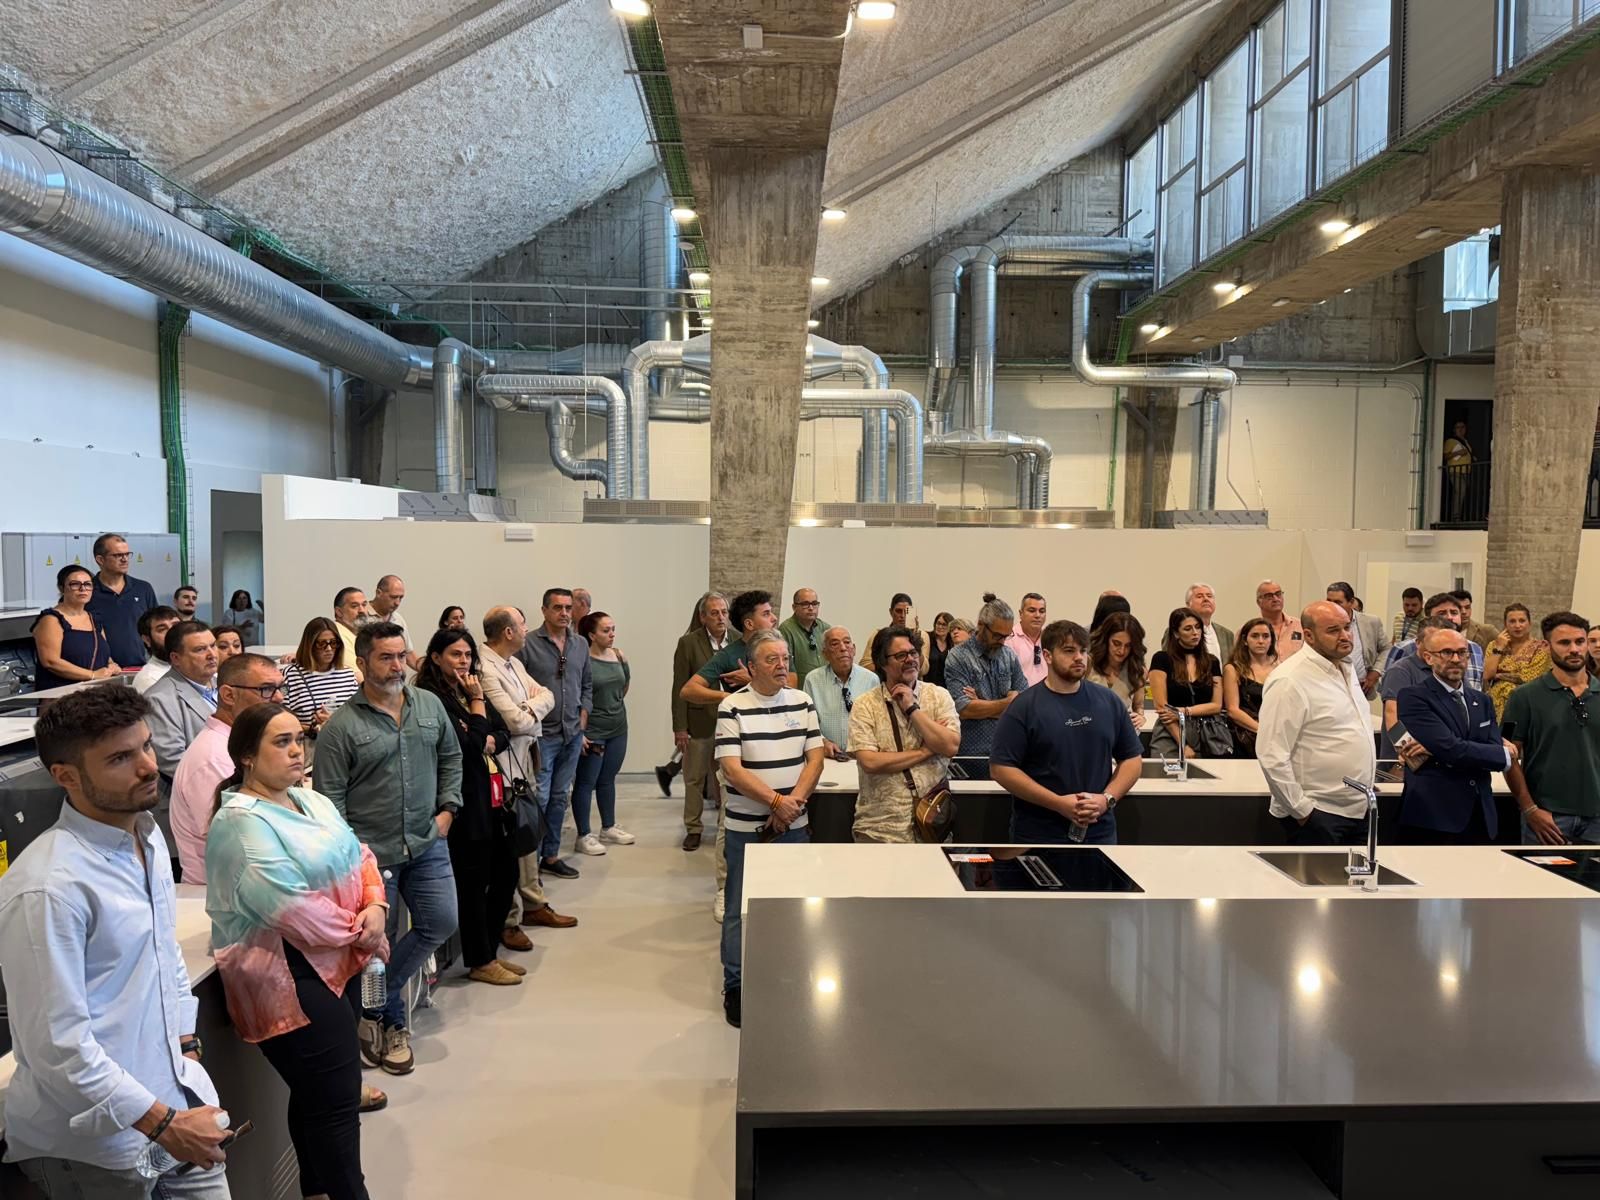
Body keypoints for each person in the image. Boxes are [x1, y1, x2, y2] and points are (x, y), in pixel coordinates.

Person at [0, 684, 231, 1196]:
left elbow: (162, 953)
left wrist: (185, 1046)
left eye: (146, 746)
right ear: (66, 777)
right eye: (121, 758)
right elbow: (58, 1047)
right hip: (97, 1149)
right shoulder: (48, 887)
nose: (148, 766)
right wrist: (162, 1122)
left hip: (177, 1102)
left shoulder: (145, 834)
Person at [206, 702, 387, 1200]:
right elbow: (287, 907)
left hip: (338, 961)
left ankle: (316, 1192)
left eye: (298, 739)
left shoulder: (310, 800)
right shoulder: (241, 821)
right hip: (288, 973)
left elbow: (360, 853)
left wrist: (376, 905)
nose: (295, 750)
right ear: (246, 755)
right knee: (336, 1106)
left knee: (317, 1096)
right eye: (280, 742)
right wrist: (362, 929)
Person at [315, 620, 462, 1077]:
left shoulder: (430, 706)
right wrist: (352, 857)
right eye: (386, 657)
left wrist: (447, 811)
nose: (398, 665)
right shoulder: (341, 728)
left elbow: (452, 758)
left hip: (426, 841)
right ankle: (394, 1028)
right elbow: (328, 800)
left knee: (442, 920)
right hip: (372, 856)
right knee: (378, 942)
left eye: (401, 656)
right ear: (362, 663)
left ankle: (376, 1009)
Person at [715, 630, 823, 1028]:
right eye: (772, 660)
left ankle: (785, 974)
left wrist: (790, 805)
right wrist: (776, 803)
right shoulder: (732, 707)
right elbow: (732, 768)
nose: (783, 666)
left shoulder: (803, 701)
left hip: (794, 824)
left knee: (791, 904)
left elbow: (814, 759)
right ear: (751, 666)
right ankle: (737, 984)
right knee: (739, 909)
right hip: (748, 828)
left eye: (785, 658)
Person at [415, 628, 524, 987]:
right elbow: (467, 745)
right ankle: (480, 959)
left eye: (467, 656)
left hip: (491, 794)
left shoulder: (468, 687)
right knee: (473, 882)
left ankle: (489, 951)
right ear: (435, 658)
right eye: (455, 655)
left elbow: (502, 732)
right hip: (462, 799)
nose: (463, 662)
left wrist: (485, 733)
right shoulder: (432, 696)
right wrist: (479, 714)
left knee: (507, 871)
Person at [990, 620, 1144, 845]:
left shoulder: (1109, 701)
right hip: (1039, 834)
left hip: (1099, 832)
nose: (1079, 657)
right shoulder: (1024, 707)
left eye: (1083, 651)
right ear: (1048, 656)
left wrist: (1106, 799)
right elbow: (1001, 769)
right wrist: (1058, 803)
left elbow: (1131, 759)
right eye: (1069, 651)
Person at [477, 606, 575, 939]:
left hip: (525, 761)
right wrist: (530, 711)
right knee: (512, 846)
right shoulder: (485, 668)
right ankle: (511, 919)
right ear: (507, 632)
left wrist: (529, 708)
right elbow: (514, 722)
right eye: (521, 625)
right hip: (502, 770)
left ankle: (534, 904)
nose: (526, 629)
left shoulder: (514, 663)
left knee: (529, 835)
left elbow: (545, 695)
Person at [1258, 601, 1376, 845]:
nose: (1344, 636)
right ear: (1309, 636)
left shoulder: (1345, 667)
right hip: (1319, 813)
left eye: (1347, 627)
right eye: (1333, 630)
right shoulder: (1290, 679)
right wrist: (1303, 812)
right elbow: (1272, 753)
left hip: (1360, 810)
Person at [170, 653, 285, 884]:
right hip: (221, 894)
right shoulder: (214, 758)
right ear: (229, 695)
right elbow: (240, 839)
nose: (279, 698)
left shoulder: (240, 745)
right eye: (266, 689)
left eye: (280, 688)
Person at [1395, 626, 1515, 844]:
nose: (1456, 659)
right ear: (1429, 657)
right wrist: (1500, 754)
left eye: (1462, 652)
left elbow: (1461, 746)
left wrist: (1441, 749)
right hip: (1435, 816)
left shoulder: (1482, 700)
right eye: (1447, 653)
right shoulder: (1414, 697)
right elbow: (1453, 750)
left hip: (1480, 813)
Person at [848, 626, 961, 842]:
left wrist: (912, 709)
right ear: (882, 662)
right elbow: (870, 762)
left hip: (932, 826)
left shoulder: (938, 696)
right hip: (879, 828)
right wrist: (926, 751)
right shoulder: (865, 705)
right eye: (901, 655)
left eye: (913, 653)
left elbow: (950, 746)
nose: (910, 659)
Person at [1504, 611, 1600, 845]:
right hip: (1547, 818)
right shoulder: (1522, 697)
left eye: (1580, 641)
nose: (1574, 649)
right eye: (1564, 643)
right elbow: (1506, 755)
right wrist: (1529, 809)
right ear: (1547, 646)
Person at [518, 587, 591, 880]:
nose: (564, 613)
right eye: (558, 608)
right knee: (542, 796)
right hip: (542, 735)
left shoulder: (581, 644)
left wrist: (583, 715)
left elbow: (587, 684)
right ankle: (530, 863)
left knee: (561, 797)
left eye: (568, 608)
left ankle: (551, 855)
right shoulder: (528, 644)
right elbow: (519, 688)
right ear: (545, 610)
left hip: (572, 732)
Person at [571, 612, 635, 855]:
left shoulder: (618, 656)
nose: (612, 634)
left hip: (618, 727)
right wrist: (580, 732)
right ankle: (583, 834)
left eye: (613, 629)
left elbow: (624, 686)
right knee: (586, 782)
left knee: (608, 778)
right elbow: (576, 696)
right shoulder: (582, 660)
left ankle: (608, 827)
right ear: (591, 635)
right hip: (593, 730)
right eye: (606, 630)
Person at [671, 591, 730, 854]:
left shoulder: (739, 640)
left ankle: (725, 827)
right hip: (699, 722)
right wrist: (680, 727)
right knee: (694, 779)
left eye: (724, 612)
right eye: (715, 613)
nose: (721, 617)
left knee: (728, 778)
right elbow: (679, 687)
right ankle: (693, 828)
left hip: (730, 724)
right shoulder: (688, 643)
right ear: (703, 616)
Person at [944, 594, 1028, 758]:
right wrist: (1009, 702)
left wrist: (983, 705)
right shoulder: (958, 657)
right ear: (981, 626)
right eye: (997, 635)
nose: (1003, 641)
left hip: (1009, 748)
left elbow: (1025, 704)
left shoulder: (1009, 656)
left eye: (1007, 635)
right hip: (973, 752)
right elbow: (964, 709)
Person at [681, 589, 788, 710]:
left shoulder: (780, 648)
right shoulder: (728, 654)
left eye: (724, 612)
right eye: (766, 614)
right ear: (749, 624)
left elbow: (791, 686)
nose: (774, 618)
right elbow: (688, 690)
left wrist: (751, 681)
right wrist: (729, 697)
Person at [145, 621, 220, 779]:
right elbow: (172, 761)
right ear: (176, 658)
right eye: (200, 649)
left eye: (213, 645)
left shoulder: (222, 683)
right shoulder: (158, 699)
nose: (212, 654)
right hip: (200, 790)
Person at [1149, 607, 1227, 758]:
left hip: (1209, 731)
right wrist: (1183, 744)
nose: (1195, 633)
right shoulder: (1162, 659)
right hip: (1172, 732)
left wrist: (1183, 712)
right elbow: (1162, 708)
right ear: (1176, 633)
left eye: (1198, 627)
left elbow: (1216, 705)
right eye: (1188, 628)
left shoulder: (1212, 661)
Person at [30, 564, 118, 688]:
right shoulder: (51, 619)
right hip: (62, 697)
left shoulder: (94, 619)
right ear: (62, 588)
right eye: (75, 584)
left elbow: (102, 653)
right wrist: (92, 675)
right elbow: (50, 661)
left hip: (95, 694)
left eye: (88, 584)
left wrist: (112, 665)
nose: (83, 589)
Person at [282, 616, 362, 743]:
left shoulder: (347, 674)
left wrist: (333, 723)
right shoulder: (291, 675)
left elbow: (358, 716)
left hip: (342, 745)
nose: (329, 649)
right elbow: (281, 718)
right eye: (322, 644)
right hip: (307, 746)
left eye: (333, 643)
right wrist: (312, 728)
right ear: (310, 645)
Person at [86, 532, 161, 668]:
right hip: (101, 670)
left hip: (141, 667)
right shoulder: (86, 592)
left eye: (127, 554)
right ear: (100, 560)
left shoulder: (143, 588)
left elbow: (157, 626)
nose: (125, 559)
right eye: (117, 555)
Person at [804, 626, 879, 757]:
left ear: (854, 649)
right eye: (834, 644)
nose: (843, 648)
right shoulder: (813, 680)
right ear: (825, 653)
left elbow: (878, 721)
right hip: (828, 757)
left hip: (863, 757)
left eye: (847, 642)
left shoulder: (871, 680)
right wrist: (823, 741)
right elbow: (807, 722)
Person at [1384, 591, 1484, 689]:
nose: (1449, 617)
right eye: (1442, 613)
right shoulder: (1403, 649)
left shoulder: (1475, 649)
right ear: (1429, 618)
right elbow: (1391, 690)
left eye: (1454, 613)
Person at [1223, 617, 1278, 759]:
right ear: (1245, 640)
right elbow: (1233, 710)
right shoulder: (1233, 669)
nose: (1261, 641)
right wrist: (1262, 730)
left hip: (1276, 733)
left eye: (1266, 636)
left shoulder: (1281, 667)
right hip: (1245, 735)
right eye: (1255, 636)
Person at [1484, 604, 1551, 719]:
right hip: (1494, 704)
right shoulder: (1494, 645)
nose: (1517, 625)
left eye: (1522, 621)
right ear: (1505, 625)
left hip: (1527, 704)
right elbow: (1487, 675)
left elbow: (1528, 678)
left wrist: (1499, 675)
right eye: (1512, 621)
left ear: (1529, 624)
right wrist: (1499, 648)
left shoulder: (1541, 648)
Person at [1326, 581, 1389, 698]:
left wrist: (1376, 672)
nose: (1332, 606)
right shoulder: (1321, 624)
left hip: (1363, 688)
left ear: (1351, 602)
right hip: (1332, 687)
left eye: (1338, 602)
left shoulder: (1371, 622)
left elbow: (1386, 648)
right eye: (1329, 602)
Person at [1086, 611, 1147, 724]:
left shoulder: (1137, 670)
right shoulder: (1088, 664)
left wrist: (1140, 716)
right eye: (1116, 643)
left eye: (1128, 646)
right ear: (1106, 639)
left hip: (1120, 731)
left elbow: (1138, 705)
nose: (1122, 651)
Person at [860, 593, 930, 671]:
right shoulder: (878, 635)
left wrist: (913, 637)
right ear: (891, 612)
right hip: (887, 681)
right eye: (898, 611)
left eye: (906, 612)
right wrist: (893, 671)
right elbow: (865, 665)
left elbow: (924, 669)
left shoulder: (922, 635)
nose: (903, 616)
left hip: (913, 681)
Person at [778, 587, 831, 684]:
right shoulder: (786, 630)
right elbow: (787, 667)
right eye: (805, 604)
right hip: (800, 689)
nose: (811, 608)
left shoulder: (825, 628)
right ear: (794, 607)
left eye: (814, 604)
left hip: (824, 687)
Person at [366, 575, 418, 670]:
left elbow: (408, 654)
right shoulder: (362, 616)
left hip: (396, 678)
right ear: (378, 593)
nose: (397, 603)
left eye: (400, 598)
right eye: (393, 597)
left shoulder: (398, 619)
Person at [132, 605, 182, 694]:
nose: (172, 632)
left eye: (176, 626)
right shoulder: (149, 679)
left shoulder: (193, 666)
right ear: (147, 639)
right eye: (162, 629)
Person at [1005, 592, 1049, 687]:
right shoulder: (1008, 639)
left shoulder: (1050, 637)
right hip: (1020, 698)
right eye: (1032, 610)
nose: (1037, 615)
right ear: (1021, 614)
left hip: (1048, 697)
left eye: (1042, 611)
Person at [1184, 582, 1234, 663]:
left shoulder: (1226, 634)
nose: (1206, 599)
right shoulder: (1177, 631)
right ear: (1188, 604)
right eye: (1199, 596)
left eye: (1209, 596)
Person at [1255, 580, 1303, 660]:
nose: (1275, 599)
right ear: (1259, 602)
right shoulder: (1250, 631)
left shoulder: (1300, 626)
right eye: (1269, 596)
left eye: (1278, 594)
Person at [1443, 419, 1475, 520]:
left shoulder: (1465, 442)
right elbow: (1445, 456)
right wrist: (1458, 453)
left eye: (1463, 427)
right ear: (1454, 430)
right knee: (1460, 491)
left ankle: (1459, 515)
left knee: (1463, 492)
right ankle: (1455, 516)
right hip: (1455, 471)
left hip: (1466, 471)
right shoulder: (1450, 441)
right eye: (1458, 427)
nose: (1461, 429)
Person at [332, 587, 368, 670]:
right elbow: (357, 675)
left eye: (364, 605)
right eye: (354, 606)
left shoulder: (359, 634)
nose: (362, 610)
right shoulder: (336, 635)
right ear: (339, 612)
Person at [926, 611, 956, 686]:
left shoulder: (952, 644)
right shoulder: (927, 638)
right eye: (938, 623)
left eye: (944, 624)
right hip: (927, 685)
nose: (940, 627)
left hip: (945, 688)